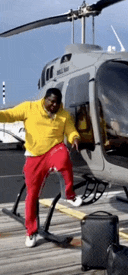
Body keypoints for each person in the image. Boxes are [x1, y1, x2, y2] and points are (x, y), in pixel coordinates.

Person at [0, 88, 82, 248]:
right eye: (51, 102)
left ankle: (70, 194)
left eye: (57, 103)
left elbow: (71, 130)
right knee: (32, 196)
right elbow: (9, 115)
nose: (54, 105)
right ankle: (31, 232)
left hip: (54, 150)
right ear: (44, 99)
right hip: (34, 156)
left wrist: (75, 137)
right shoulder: (29, 108)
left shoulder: (63, 115)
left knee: (64, 157)